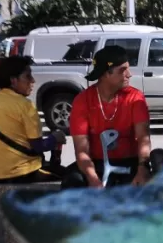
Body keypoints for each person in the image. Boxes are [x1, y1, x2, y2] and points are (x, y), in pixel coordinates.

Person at [62, 45, 152, 189]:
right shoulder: (83, 100)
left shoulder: (135, 97)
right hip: (95, 164)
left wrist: (143, 168)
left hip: (130, 163)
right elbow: (81, 150)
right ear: (105, 74)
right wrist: (93, 178)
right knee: (72, 180)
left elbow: (143, 138)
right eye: (122, 70)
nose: (129, 74)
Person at [0, 56, 66, 183]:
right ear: (13, 80)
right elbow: (38, 146)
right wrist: (55, 137)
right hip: (23, 173)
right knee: (73, 178)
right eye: (28, 76)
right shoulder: (25, 105)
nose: (33, 80)